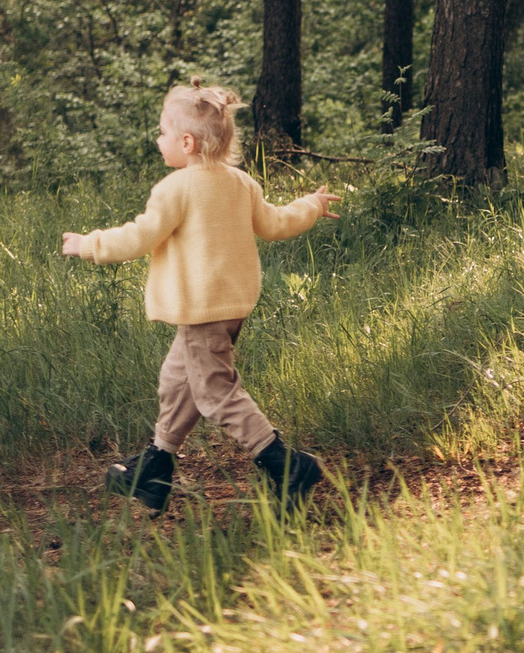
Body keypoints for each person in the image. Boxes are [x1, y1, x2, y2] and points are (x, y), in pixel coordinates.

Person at [61, 85, 339, 512]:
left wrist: (88, 244)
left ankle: (285, 465)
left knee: (215, 392)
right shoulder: (241, 183)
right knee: (178, 381)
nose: (159, 140)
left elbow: (139, 236)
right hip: (230, 307)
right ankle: (155, 469)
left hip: (201, 310)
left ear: (186, 143)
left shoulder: (177, 189)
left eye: (162, 132)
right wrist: (311, 206)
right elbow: (276, 223)